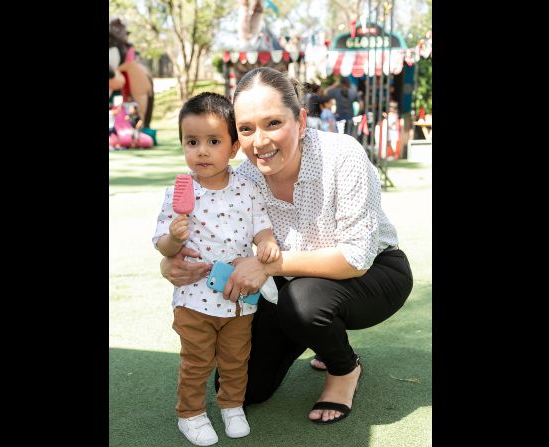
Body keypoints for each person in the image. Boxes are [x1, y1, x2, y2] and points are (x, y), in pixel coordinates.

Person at [160, 67, 413, 425]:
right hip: (288, 285)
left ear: (302, 121)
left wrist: (266, 266)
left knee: (304, 304)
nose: (259, 141)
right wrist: (169, 266)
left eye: (273, 123)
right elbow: (205, 239)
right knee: (245, 390)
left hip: (374, 273)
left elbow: (357, 258)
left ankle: (344, 369)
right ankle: (318, 336)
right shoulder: (241, 178)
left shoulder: (342, 154)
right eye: (246, 129)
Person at [152, 92, 281, 446]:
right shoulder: (179, 191)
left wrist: (267, 241)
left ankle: (231, 406)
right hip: (193, 298)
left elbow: (260, 225)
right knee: (196, 360)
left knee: (237, 359)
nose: (202, 151)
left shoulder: (247, 188)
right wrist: (173, 241)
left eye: (213, 141)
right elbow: (162, 243)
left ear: (234, 148)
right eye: (192, 142)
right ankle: (190, 414)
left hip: (238, 296)